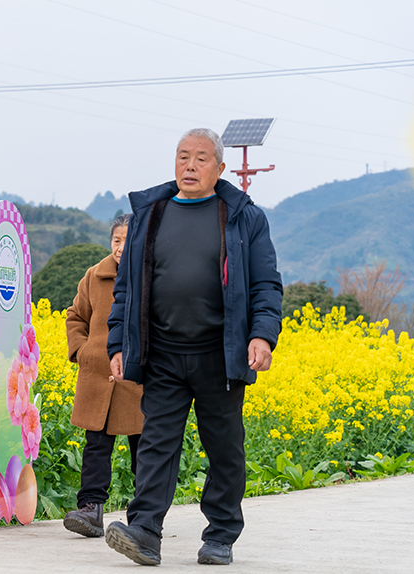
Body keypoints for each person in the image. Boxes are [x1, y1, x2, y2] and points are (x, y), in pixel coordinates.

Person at [104, 128, 282, 566]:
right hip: (162, 353)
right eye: (183, 156)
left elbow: (265, 284)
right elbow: (126, 288)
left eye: (201, 158)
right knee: (156, 443)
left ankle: (220, 534)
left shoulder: (243, 217)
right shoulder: (150, 214)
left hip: (220, 354)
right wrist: (118, 342)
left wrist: (262, 334)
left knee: (224, 448)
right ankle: (145, 530)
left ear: (220, 168)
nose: (190, 165)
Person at [63, 214, 143, 538]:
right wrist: (83, 351)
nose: (120, 247)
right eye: (116, 240)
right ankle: (90, 509)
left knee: (143, 448)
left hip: (136, 378)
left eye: (127, 240)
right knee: (95, 446)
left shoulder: (151, 276)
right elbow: (75, 317)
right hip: (97, 376)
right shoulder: (94, 276)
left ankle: (144, 515)